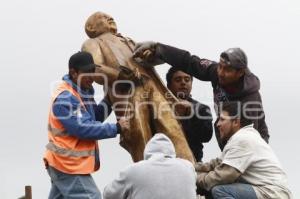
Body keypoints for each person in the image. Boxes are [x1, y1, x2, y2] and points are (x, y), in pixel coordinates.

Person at [81, 11, 194, 163]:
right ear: (91, 27)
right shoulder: (92, 43)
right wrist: (120, 75)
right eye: (103, 17)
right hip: (127, 92)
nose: (110, 18)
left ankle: (189, 168)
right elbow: (94, 68)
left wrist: (149, 56)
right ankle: (146, 176)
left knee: (172, 127)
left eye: (110, 16)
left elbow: (151, 71)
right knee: (140, 135)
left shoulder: (128, 41)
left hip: (150, 85)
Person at [133, 42, 269, 150]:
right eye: (220, 66)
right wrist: (159, 49)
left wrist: (191, 113)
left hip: (252, 146)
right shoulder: (216, 72)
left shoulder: (249, 100)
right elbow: (189, 61)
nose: (221, 73)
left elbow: (250, 141)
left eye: (227, 70)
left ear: (240, 73)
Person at [43, 51, 130, 199]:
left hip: (63, 164)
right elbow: (82, 128)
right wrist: (116, 128)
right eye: (87, 72)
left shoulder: (83, 92)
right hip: (67, 164)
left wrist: (109, 100)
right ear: (74, 72)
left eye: (93, 71)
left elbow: (94, 117)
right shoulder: (66, 97)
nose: (92, 76)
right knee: (92, 196)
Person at [195, 101, 292, 199]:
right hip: (268, 191)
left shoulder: (242, 139)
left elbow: (224, 175)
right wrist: (192, 167)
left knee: (220, 190)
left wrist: (195, 178)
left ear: (236, 122)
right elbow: (217, 164)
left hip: (271, 193)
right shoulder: (242, 137)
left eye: (222, 119)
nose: (218, 124)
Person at [103, 133, 197, 199]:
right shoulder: (188, 167)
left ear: (147, 152)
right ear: (172, 152)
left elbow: (108, 195)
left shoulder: (134, 170)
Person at [166, 67, 213, 162]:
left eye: (187, 79)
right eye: (178, 80)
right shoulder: (160, 108)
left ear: (191, 83)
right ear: (169, 85)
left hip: (193, 163)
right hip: (164, 163)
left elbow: (206, 136)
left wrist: (191, 114)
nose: (183, 82)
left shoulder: (202, 108)